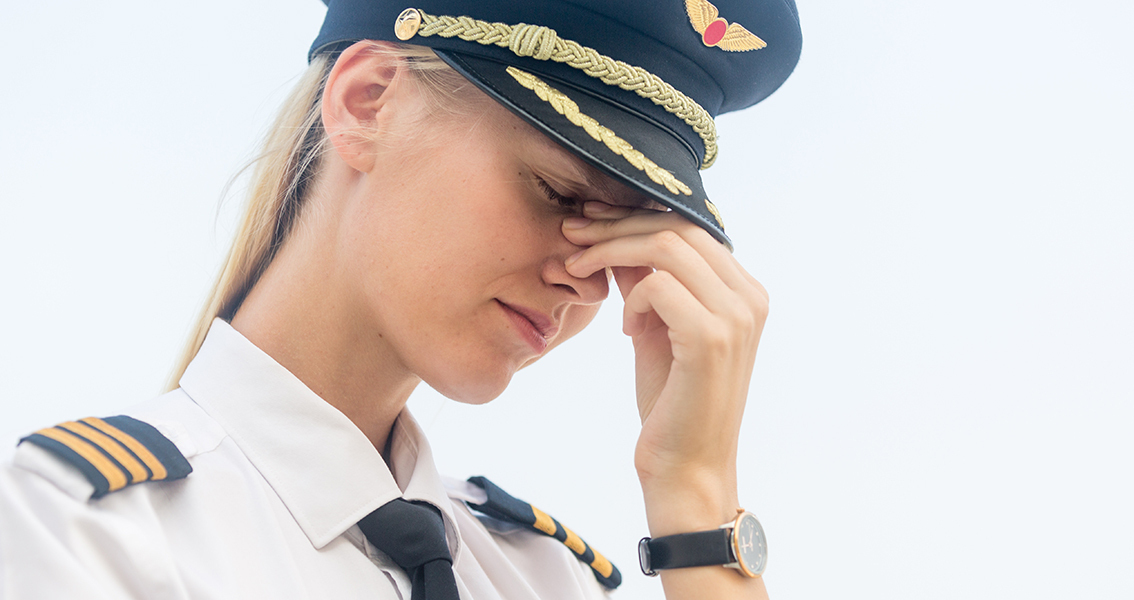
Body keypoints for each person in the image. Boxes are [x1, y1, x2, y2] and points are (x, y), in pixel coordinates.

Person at [0, 0, 801, 598]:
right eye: (558, 192)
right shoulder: (78, 534)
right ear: (367, 102)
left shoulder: (548, 579)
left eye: (626, 236)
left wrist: (696, 498)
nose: (587, 278)